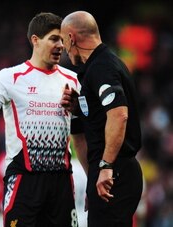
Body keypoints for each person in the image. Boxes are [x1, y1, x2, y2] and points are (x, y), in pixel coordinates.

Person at [0, 12, 83, 227]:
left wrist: (79, 110)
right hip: (24, 179)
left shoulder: (73, 79)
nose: (60, 45)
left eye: (62, 40)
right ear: (35, 40)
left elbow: (85, 129)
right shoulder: (10, 78)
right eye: (54, 39)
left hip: (61, 181)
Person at [60, 11, 143, 227]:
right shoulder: (94, 70)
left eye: (63, 41)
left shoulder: (103, 67)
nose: (64, 50)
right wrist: (78, 107)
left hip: (116, 172)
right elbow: (99, 119)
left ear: (71, 37)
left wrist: (106, 167)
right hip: (109, 173)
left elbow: (119, 115)